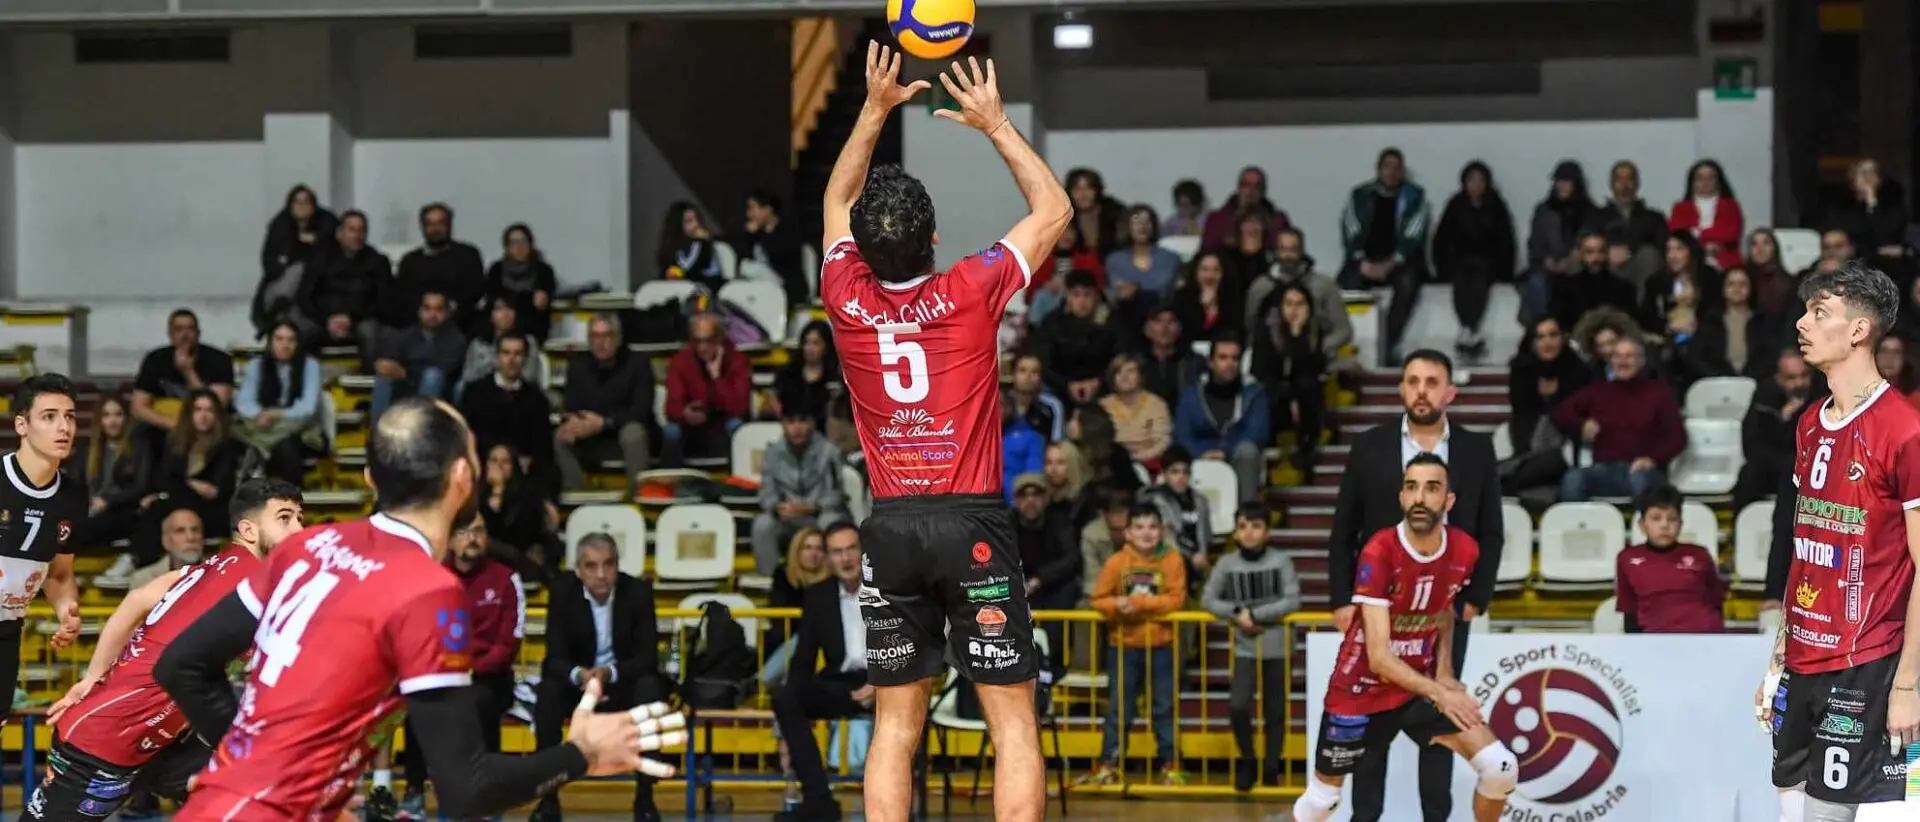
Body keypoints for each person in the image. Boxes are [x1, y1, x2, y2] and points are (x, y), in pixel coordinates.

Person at [152, 398, 685, 821]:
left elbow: (181, 665)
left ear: (370, 479)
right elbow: (467, 789)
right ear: (462, 477)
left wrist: (249, 764)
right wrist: (581, 755)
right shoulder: (429, 590)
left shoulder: (303, 547)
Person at [816, 45, 1069, 822]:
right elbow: (1054, 210)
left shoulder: (842, 293)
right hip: (972, 521)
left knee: (895, 725)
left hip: (890, 527)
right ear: (932, 240)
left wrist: (873, 107)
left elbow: (835, 201)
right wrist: (995, 124)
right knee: (1013, 724)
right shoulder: (970, 287)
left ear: (861, 248)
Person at [31, 478, 304, 822]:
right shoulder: (253, 583)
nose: (298, 529)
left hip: (164, 742)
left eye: (299, 518)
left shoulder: (208, 567)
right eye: (284, 518)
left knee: (266, 786)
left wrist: (93, 678)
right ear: (248, 530)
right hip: (106, 741)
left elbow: (135, 600)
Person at [1756, 261, 1920, 818]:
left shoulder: (1906, 430)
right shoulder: (1808, 422)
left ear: (1858, 331)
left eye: (1818, 312)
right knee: (1788, 812)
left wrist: (1907, 686)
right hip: (1802, 654)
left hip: (1867, 659)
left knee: (1830, 816)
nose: (1802, 323)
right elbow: (1805, 549)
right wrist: (1778, 656)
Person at [1326, 350, 1503, 822]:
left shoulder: (1476, 448)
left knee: (1443, 713)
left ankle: (1436, 817)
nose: (1421, 390)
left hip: (1441, 610)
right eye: (1412, 381)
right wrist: (1344, 599)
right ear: (1402, 388)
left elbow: (1491, 528)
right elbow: (1345, 526)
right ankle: (1365, 818)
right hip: (1377, 607)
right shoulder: (1369, 446)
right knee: (1370, 719)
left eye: (1431, 381)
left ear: (1449, 392)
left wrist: (1474, 597)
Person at [1290, 454, 1515, 822]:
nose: (1420, 498)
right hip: (1360, 691)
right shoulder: (1380, 551)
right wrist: (1441, 692)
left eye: (1432, 488)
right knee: (1323, 799)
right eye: (1411, 487)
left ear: (1449, 500)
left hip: (1414, 690)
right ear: (1401, 497)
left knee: (1501, 766)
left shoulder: (1465, 549)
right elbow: (1378, 658)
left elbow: (1443, 612)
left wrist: (1443, 671)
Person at [1085, 504, 1188, 785]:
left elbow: (1176, 600)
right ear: (1128, 532)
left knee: (1164, 707)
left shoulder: (1173, 560)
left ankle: (1170, 764)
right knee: (1120, 708)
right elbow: (1098, 599)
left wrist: (1136, 604)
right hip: (1123, 646)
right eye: (1140, 527)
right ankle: (1109, 763)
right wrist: (1117, 605)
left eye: (1152, 527)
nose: (1147, 533)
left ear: (1162, 531)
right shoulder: (1117, 562)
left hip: (1162, 646)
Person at [1, 375, 88, 703]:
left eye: (69, 417)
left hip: (8, 630)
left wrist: (66, 611)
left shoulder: (73, 496)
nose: (63, 427)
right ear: (22, 425)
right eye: (49, 417)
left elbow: (60, 574)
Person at [1201, 503, 1300, 791]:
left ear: (1267, 532)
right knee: (1238, 705)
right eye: (1243, 526)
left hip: (1278, 645)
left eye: (1256, 526)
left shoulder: (1281, 560)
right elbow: (1208, 599)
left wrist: (1255, 615)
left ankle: (1271, 766)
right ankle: (1248, 760)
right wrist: (1237, 613)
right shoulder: (1227, 563)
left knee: (1275, 711)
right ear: (1235, 532)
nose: (1249, 532)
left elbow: (1292, 600)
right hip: (1245, 646)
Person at [1614, 484, 1725, 633]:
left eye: (1672, 519)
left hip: (1704, 636)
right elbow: (1629, 610)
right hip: (1655, 639)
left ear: (1680, 524)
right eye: (1656, 518)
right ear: (1642, 525)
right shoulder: (1626, 559)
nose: (1665, 525)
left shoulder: (1700, 555)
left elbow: (1715, 602)